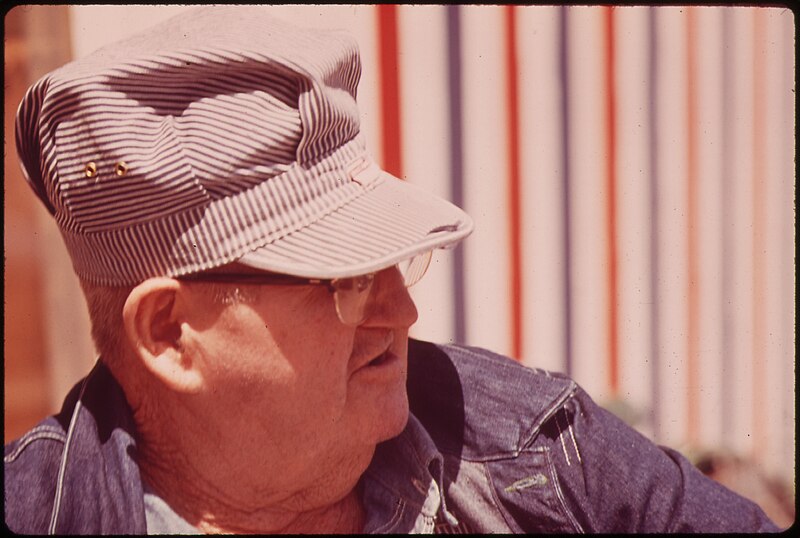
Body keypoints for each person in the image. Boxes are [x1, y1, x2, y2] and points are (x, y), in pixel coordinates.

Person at [4, 6, 781, 534]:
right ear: (170, 333)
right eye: (342, 278)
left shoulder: (536, 443)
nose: (402, 312)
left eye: (391, 261)